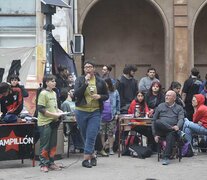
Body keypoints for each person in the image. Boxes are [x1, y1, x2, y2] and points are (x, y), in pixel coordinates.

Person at [74, 61, 109, 168]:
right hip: (81, 111)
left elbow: (106, 96)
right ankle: (93, 155)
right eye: (86, 67)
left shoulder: (100, 81)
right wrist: (85, 83)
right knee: (84, 135)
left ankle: (85, 159)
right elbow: (76, 94)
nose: (88, 69)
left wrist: (100, 96)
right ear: (84, 69)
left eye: (90, 67)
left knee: (91, 134)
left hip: (95, 111)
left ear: (94, 69)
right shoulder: (79, 80)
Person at [37, 74, 65, 173]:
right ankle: (43, 164)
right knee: (45, 145)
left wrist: (60, 112)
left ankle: (51, 163)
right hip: (45, 123)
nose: (54, 83)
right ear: (46, 83)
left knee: (53, 144)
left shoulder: (54, 93)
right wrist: (53, 115)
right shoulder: (43, 93)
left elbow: (54, 107)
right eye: (52, 81)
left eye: (54, 81)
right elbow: (41, 109)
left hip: (54, 122)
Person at [152, 90, 185, 165]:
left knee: (171, 134)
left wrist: (178, 126)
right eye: (166, 95)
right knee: (157, 121)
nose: (166, 97)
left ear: (174, 98)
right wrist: (154, 135)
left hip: (172, 132)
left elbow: (181, 119)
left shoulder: (179, 108)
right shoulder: (160, 106)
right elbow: (153, 120)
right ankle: (174, 130)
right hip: (161, 129)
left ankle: (166, 157)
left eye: (168, 95)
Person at [99, 78, 120, 156]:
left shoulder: (115, 92)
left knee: (110, 133)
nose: (105, 85)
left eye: (106, 83)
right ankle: (102, 148)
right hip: (101, 115)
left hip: (112, 115)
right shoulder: (100, 92)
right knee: (102, 133)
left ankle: (111, 148)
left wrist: (118, 113)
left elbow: (118, 102)